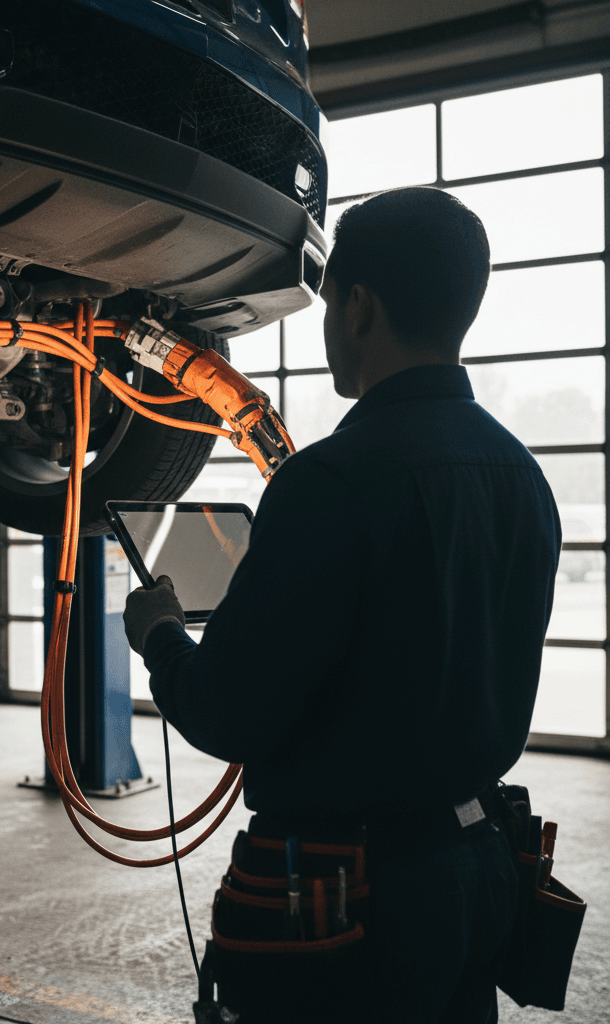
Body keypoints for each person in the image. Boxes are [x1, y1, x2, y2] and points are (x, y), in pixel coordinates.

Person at [122, 186, 561, 1023]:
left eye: (328, 303)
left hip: (355, 901)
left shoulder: (328, 483)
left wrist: (163, 638)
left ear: (358, 307)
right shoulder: (522, 477)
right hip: (480, 873)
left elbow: (228, 712)